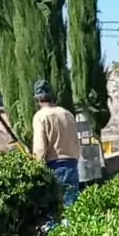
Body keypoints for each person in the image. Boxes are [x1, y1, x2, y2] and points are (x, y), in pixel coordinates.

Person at [31, 79, 81, 208]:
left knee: (55, 209)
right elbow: (76, 142)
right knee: (72, 207)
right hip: (71, 164)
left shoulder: (40, 117)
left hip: (54, 166)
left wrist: (36, 167)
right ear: (52, 97)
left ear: (37, 99)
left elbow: (40, 148)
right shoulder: (67, 114)